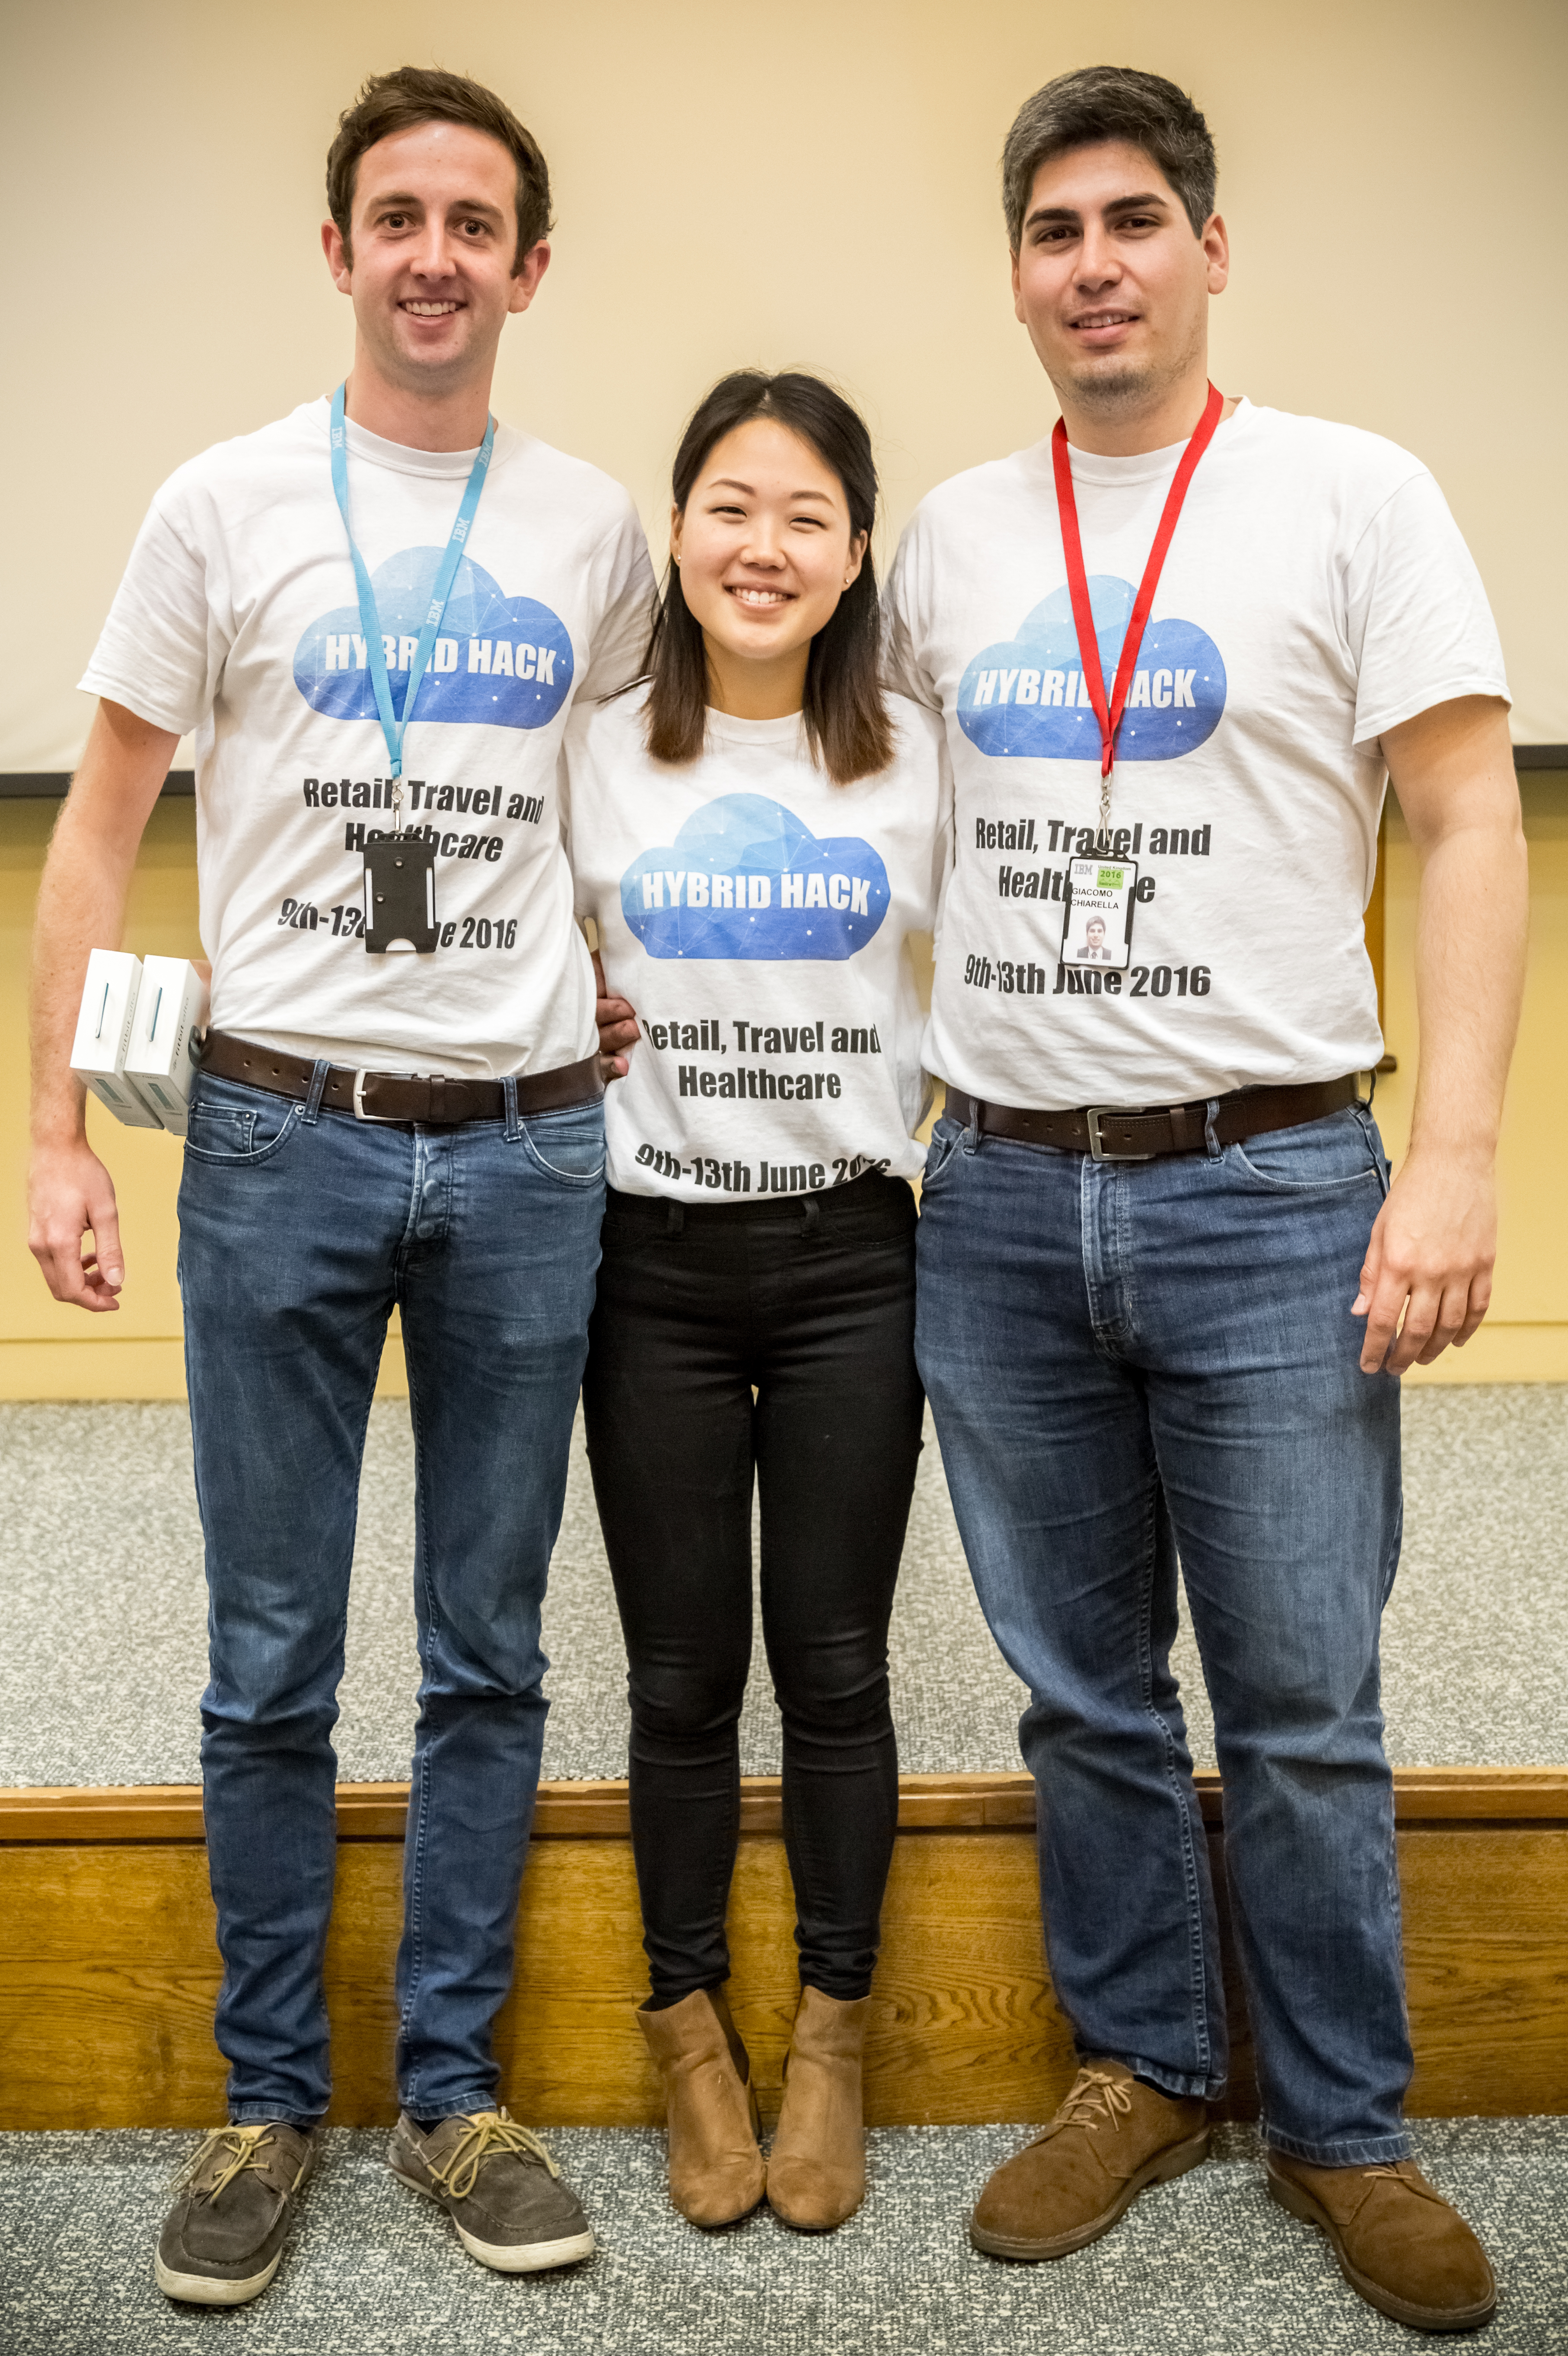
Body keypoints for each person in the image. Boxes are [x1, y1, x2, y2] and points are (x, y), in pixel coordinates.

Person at [885, 66, 1524, 2334]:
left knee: (1297, 1692)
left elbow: (1462, 814)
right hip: (994, 1198)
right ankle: (1144, 2057)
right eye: (1052, 229)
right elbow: (836, 807)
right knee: (1076, 1689)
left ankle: (1339, 2119)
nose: (1092, 263)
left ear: (1206, 246)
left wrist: (1445, 1151)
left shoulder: (1347, 494)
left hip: (1266, 1180)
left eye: (1131, 219)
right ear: (1017, 272)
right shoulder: (948, 535)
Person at [28, 66, 652, 2305]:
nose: (430, 254)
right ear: (338, 250)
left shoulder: (594, 532)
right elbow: (97, 830)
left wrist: (637, 987)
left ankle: (452, 2088)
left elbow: (632, 812)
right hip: (274, 1136)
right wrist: (49, 1129)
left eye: (473, 221)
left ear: (527, 266)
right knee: (267, 1655)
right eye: (394, 214)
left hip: (522, 1154)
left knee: (489, 1651)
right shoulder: (217, 506)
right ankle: (268, 2091)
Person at [567, 371, 949, 2232]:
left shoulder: (914, 761)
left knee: (836, 1669)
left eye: (805, 513)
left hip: (849, 1266)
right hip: (643, 1266)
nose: (764, 545)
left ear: (854, 550)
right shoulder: (595, 752)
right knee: (674, 1676)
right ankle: (684, 2024)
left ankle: (832, 2034)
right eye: (730, 504)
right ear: (679, 530)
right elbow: (517, 947)